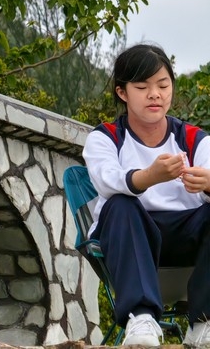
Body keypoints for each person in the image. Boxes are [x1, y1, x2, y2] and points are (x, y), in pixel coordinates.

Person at [83, 43, 210, 348]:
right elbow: (107, 180)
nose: (155, 94)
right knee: (120, 203)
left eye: (163, 85)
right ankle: (140, 317)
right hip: (130, 239)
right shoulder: (105, 137)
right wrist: (151, 176)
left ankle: (204, 322)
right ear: (122, 92)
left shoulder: (194, 139)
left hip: (187, 241)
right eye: (142, 87)